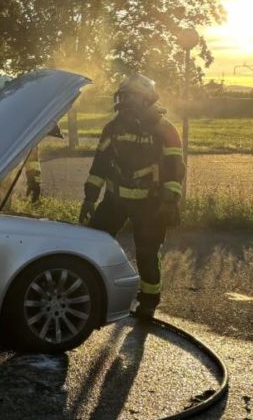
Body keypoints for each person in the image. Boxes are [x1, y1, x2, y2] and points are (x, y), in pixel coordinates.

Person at [77, 74, 185, 320]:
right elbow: (100, 165)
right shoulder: (113, 127)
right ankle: (89, 294)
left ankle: (148, 302)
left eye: (130, 97)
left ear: (146, 99)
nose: (124, 102)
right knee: (94, 244)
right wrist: (90, 198)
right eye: (122, 97)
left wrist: (170, 201)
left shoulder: (165, 129)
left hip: (151, 204)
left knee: (147, 253)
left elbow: (174, 167)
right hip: (115, 201)